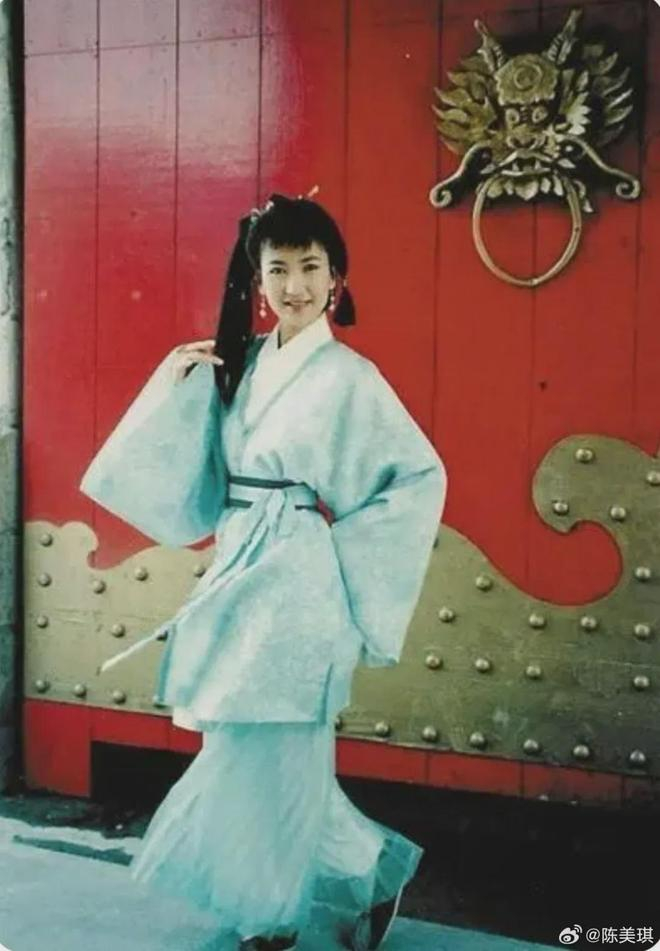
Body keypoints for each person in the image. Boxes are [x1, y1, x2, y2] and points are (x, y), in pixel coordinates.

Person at [80, 194, 447, 951]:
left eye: (310, 268)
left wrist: (339, 556)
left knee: (283, 745)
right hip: (239, 561)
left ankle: (272, 913)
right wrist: (177, 385)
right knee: (240, 738)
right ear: (257, 278)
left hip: (298, 577)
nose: (295, 286)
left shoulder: (351, 378)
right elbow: (199, 473)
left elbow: (417, 476)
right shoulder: (241, 364)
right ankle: (364, 868)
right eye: (278, 269)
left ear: (336, 278)